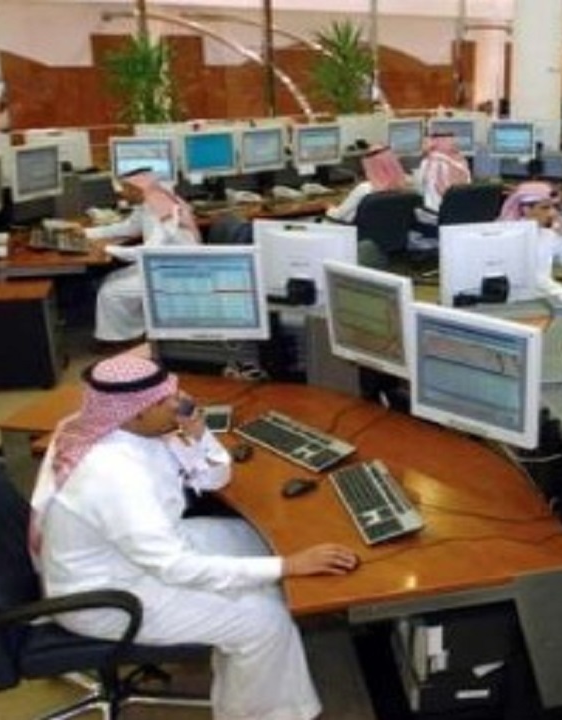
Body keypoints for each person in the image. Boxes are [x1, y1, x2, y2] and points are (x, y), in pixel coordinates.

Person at [30, 354, 361, 720]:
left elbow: (212, 478)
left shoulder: (116, 429)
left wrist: (199, 434)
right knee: (264, 621)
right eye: (166, 400)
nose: (180, 403)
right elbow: (177, 568)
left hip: (132, 554)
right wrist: (289, 566)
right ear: (135, 412)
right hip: (110, 597)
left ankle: (248, 662)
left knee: (254, 541)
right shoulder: (116, 476)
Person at [82, 169, 200, 344]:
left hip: (177, 270)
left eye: (125, 188)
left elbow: (146, 252)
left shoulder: (163, 210)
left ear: (137, 188)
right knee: (111, 278)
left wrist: (107, 249)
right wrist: (85, 233)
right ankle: (138, 329)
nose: (121, 193)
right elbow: (127, 227)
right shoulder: (150, 203)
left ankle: (121, 340)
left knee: (110, 292)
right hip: (160, 263)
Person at [499, 181, 562, 294]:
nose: (552, 213)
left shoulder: (549, 233)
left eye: (554, 207)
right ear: (526, 209)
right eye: (545, 208)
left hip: (544, 294)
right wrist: (558, 291)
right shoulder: (506, 236)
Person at [324, 145, 410, 224]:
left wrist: (326, 206)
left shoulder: (365, 188)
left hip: (355, 231)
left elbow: (338, 215)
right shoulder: (404, 185)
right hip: (391, 232)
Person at [413, 131, 472, 215]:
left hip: (438, 215)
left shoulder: (429, 162)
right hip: (462, 212)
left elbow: (419, 190)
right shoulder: (462, 161)